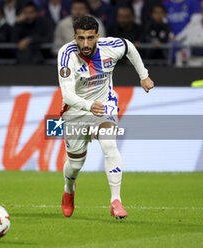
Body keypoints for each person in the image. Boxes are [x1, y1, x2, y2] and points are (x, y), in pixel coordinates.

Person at [58, 16, 154, 219]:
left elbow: (129, 47)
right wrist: (89, 106)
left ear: (97, 36)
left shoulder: (111, 46)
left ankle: (115, 201)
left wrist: (143, 75)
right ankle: (69, 189)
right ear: (74, 37)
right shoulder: (66, 54)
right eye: (81, 38)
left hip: (105, 106)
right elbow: (67, 95)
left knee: (109, 144)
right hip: (76, 110)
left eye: (90, 38)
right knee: (75, 164)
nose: (85, 44)